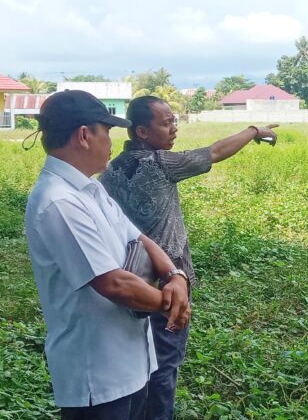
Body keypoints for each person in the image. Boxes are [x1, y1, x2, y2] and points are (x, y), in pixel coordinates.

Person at [99, 95, 278, 419]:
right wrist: (254, 131)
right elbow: (215, 151)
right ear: (141, 131)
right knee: (164, 366)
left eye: (174, 121)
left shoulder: (109, 170)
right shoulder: (162, 164)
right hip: (169, 283)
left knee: (137, 363)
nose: (174, 128)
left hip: (126, 280)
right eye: (166, 123)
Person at [24, 90, 190, 420]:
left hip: (132, 364)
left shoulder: (90, 188)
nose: (112, 141)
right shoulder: (58, 202)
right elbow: (113, 284)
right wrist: (172, 303)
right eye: (108, 131)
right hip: (98, 376)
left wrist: (176, 276)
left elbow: (139, 237)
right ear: (85, 135)